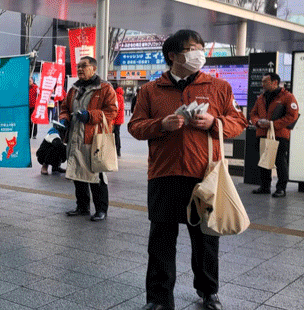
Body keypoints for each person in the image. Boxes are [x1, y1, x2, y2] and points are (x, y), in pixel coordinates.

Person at [128, 30, 247, 310]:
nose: (199, 54)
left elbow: (238, 121)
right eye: (193, 48)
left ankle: (208, 291)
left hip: (204, 174)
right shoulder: (150, 90)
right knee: (161, 239)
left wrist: (215, 122)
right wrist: (160, 125)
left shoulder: (219, 87)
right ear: (173, 55)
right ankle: (158, 299)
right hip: (164, 173)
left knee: (206, 239)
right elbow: (134, 126)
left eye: (200, 48)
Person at [59, 56, 117, 222]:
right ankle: (82, 207)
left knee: (96, 175)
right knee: (77, 173)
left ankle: (101, 209)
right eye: (78, 66)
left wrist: (91, 115)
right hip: (75, 137)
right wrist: (64, 119)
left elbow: (112, 111)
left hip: (94, 139)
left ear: (94, 68)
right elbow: (65, 108)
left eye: (83, 66)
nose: (79, 69)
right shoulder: (74, 89)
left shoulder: (105, 88)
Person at [249, 72, 299, 198]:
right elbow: (253, 113)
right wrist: (257, 122)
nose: (262, 84)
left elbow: (292, 116)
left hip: (279, 135)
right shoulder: (261, 98)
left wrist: (273, 124)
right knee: (264, 160)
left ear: (274, 82)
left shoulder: (287, 97)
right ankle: (265, 187)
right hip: (262, 133)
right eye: (262, 81)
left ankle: (281, 188)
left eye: (265, 81)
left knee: (280, 161)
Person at [113, 83, 125, 157]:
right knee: (116, 134)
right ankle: (117, 150)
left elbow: (116, 109)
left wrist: (113, 120)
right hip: (119, 119)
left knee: (116, 135)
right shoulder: (120, 95)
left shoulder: (117, 96)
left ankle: (117, 150)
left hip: (116, 119)